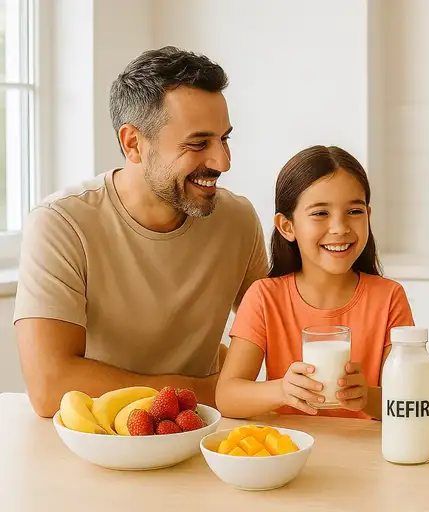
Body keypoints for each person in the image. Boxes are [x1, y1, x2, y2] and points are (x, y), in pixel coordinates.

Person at [14, 46, 267, 417]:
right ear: (133, 143)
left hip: (205, 435)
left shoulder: (238, 219)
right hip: (99, 442)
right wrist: (211, 391)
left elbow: (279, 332)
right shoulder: (60, 224)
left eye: (224, 139)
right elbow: (51, 387)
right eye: (198, 143)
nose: (222, 162)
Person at [215, 145, 414, 420]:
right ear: (287, 226)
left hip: (366, 457)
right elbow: (227, 397)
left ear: (368, 215)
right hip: (290, 452)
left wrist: (367, 397)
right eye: (320, 213)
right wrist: (281, 391)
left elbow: (408, 401)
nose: (340, 227)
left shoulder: (389, 297)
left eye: (354, 212)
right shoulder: (264, 298)